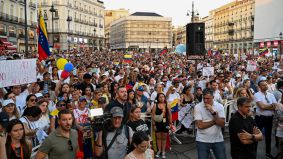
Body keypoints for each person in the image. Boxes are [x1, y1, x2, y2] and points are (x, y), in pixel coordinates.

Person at [194, 88, 226, 159]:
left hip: (218, 139)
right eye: (204, 98)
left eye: (208, 98)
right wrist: (215, 120)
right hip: (202, 140)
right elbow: (200, 125)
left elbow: (222, 124)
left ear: (213, 97)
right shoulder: (198, 107)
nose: (205, 101)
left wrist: (213, 112)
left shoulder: (219, 106)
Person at [254, 80, 277, 158]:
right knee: (257, 135)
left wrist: (267, 106)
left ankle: (268, 153)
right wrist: (271, 106)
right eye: (263, 85)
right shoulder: (257, 95)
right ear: (259, 87)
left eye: (266, 85)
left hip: (269, 118)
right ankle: (253, 153)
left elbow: (275, 106)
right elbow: (262, 107)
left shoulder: (271, 95)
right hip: (260, 118)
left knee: (268, 136)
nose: (265, 86)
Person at [152, 93, 172, 159]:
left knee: (164, 137)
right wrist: (154, 124)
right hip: (158, 123)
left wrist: (170, 123)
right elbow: (153, 115)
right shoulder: (155, 105)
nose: (161, 98)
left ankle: (163, 151)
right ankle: (159, 150)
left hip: (165, 123)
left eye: (163, 97)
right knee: (158, 137)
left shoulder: (167, 105)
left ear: (164, 97)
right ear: (158, 98)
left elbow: (170, 115)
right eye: (160, 97)